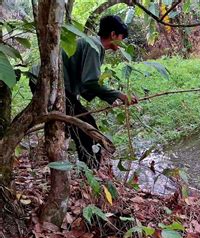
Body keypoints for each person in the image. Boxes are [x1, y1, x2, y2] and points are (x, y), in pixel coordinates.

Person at [31, 15, 137, 169]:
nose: (123, 43)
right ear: (113, 35)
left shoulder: (92, 44)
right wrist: (119, 95)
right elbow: (90, 81)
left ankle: (85, 170)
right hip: (47, 82)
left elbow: (85, 83)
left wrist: (111, 98)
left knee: (77, 125)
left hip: (46, 82)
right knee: (87, 128)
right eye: (122, 37)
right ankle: (90, 173)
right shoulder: (94, 46)